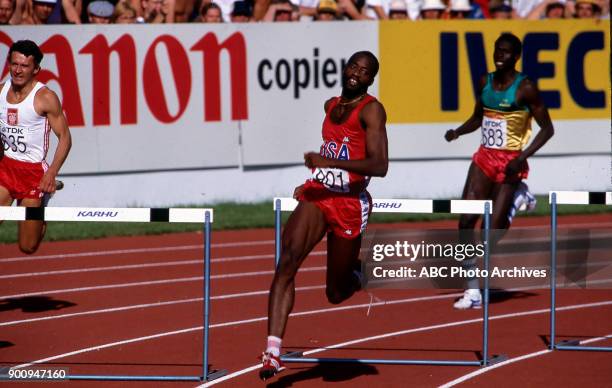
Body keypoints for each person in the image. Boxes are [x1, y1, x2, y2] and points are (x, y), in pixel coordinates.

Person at [259, 51, 388, 380]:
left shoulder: (372, 110)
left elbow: (379, 165)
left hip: (349, 203)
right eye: (353, 66)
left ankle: (359, 274)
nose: (356, 73)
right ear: (345, 68)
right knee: (287, 260)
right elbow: (332, 148)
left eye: (364, 71)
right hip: (321, 194)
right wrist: (319, 175)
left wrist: (332, 164)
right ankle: (273, 352)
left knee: (335, 292)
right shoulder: (330, 105)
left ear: (371, 79)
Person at [444, 33, 554, 309]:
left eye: (506, 52)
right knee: (465, 223)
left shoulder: (525, 88)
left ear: (515, 57)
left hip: (509, 163)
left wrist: (523, 157)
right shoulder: (485, 82)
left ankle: (518, 194)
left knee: (490, 235)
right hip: (483, 159)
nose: (499, 55)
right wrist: (458, 131)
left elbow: (548, 129)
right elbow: (478, 117)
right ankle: (472, 292)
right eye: (497, 50)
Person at [0, 40, 72, 255]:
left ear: (36, 69)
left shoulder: (46, 98)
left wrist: (51, 174)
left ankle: (41, 213)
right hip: (6, 169)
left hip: (33, 174)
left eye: (24, 66)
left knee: (27, 246)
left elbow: (66, 138)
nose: (17, 70)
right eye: (14, 64)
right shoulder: (1, 91)